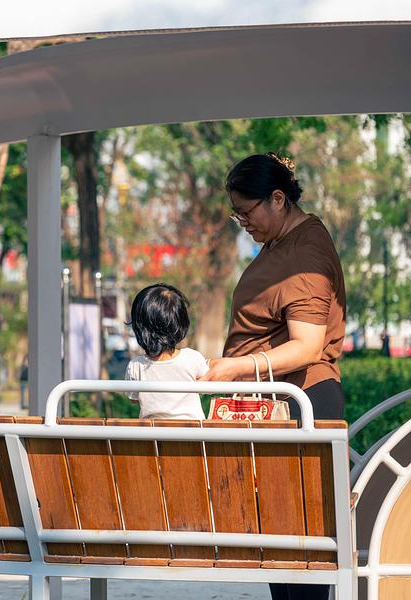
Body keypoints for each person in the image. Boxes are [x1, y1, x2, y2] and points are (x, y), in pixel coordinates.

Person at [199, 153, 345, 600]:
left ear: (278, 199)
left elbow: (307, 347)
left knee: (298, 563)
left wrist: (235, 368)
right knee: (280, 557)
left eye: (247, 211)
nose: (242, 222)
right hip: (278, 411)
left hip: (298, 407)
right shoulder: (283, 242)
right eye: (236, 212)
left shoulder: (305, 254)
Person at [125, 283, 208, 420]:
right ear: (181, 324)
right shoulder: (193, 358)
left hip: (153, 438)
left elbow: (133, 399)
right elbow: (206, 385)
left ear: (139, 328)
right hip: (193, 435)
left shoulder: (136, 366)